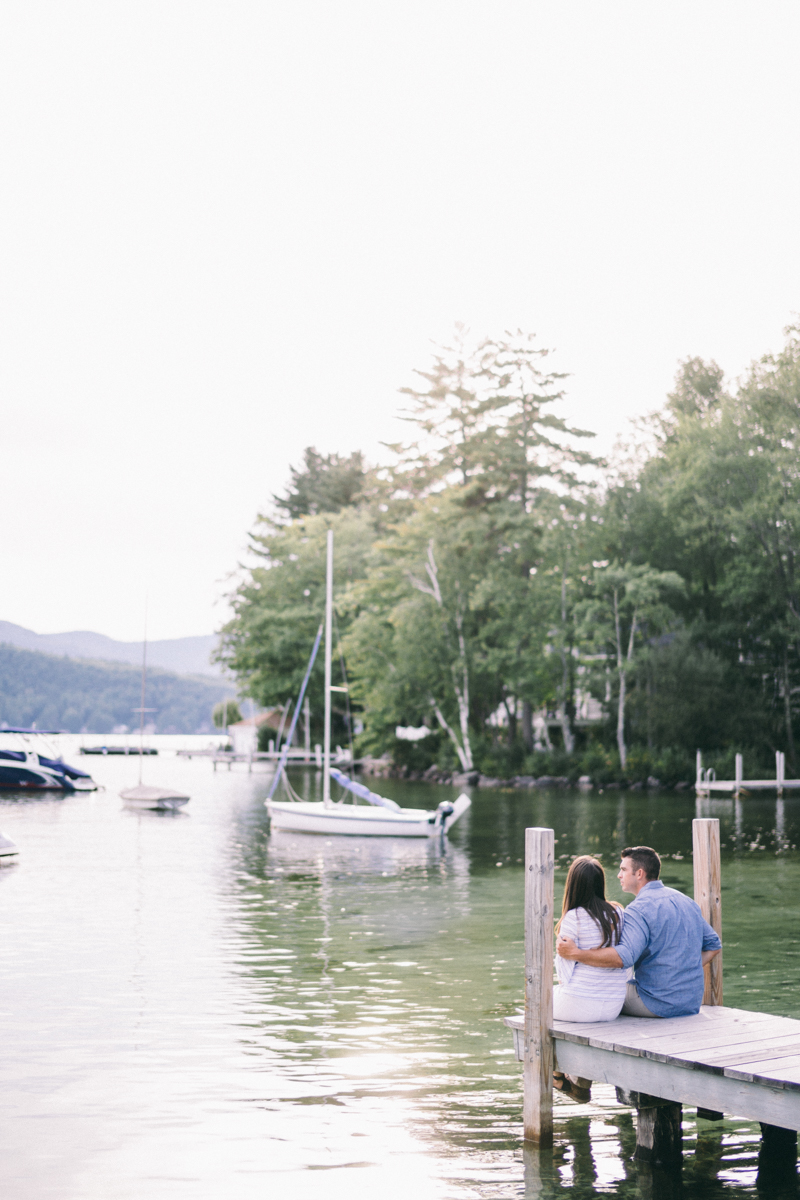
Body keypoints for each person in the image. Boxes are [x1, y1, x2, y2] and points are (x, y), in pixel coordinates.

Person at [557, 845, 722, 1019]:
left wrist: (576, 953)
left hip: (654, 1003)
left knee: (608, 992)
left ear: (639, 874)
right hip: (690, 1002)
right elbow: (714, 946)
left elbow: (623, 958)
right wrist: (683, 969)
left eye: (623, 869)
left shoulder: (638, 910)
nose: (619, 875)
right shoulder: (686, 901)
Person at [553, 855, 629, 1022]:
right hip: (613, 1006)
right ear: (600, 883)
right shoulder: (619, 913)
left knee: (537, 995)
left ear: (572, 885)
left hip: (578, 1004)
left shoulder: (574, 917)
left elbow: (564, 971)